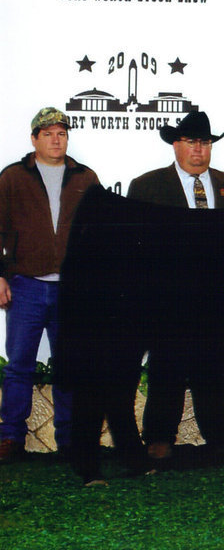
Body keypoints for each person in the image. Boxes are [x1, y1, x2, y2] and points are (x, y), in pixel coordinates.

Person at [127, 110, 224, 460]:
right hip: (168, 296)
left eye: (205, 142)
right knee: (167, 366)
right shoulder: (146, 187)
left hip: (218, 296)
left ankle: (222, 436)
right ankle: (158, 438)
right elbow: (135, 248)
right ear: (175, 145)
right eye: (191, 141)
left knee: (215, 368)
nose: (199, 149)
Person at [0, 107, 99, 463]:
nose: (56, 140)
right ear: (34, 139)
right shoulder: (12, 177)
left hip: (72, 290)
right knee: (19, 366)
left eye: (62, 133)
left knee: (70, 366)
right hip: (25, 285)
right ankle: (11, 436)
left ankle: (70, 440)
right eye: (48, 134)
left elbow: (99, 233)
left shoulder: (85, 178)